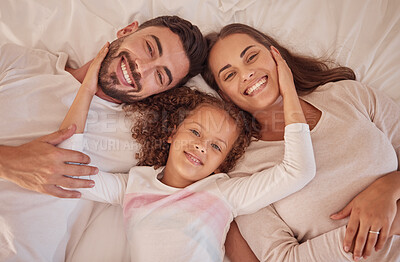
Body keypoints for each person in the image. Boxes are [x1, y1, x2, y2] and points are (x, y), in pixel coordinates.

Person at [57, 42, 315, 261]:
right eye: (195, 132)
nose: (202, 145)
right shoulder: (134, 184)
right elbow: (70, 175)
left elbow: (298, 171)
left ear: (220, 165)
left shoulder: (223, 193)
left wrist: (287, 90)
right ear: (171, 133)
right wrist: (87, 90)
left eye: (216, 146)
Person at [0, 15, 207, 261]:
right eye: (149, 48)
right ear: (127, 30)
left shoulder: (140, 140)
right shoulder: (20, 63)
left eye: (160, 76)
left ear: (160, 92)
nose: (142, 68)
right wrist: (8, 161)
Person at [202, 23, 400, 261]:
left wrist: (387, 187)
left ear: (276, 54)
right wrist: (391, 221)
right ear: (224, 94)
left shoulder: (349, 95)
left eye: (252, 57)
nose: (246, 74)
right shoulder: (243, 170)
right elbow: (281, 258)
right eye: (230, 74)